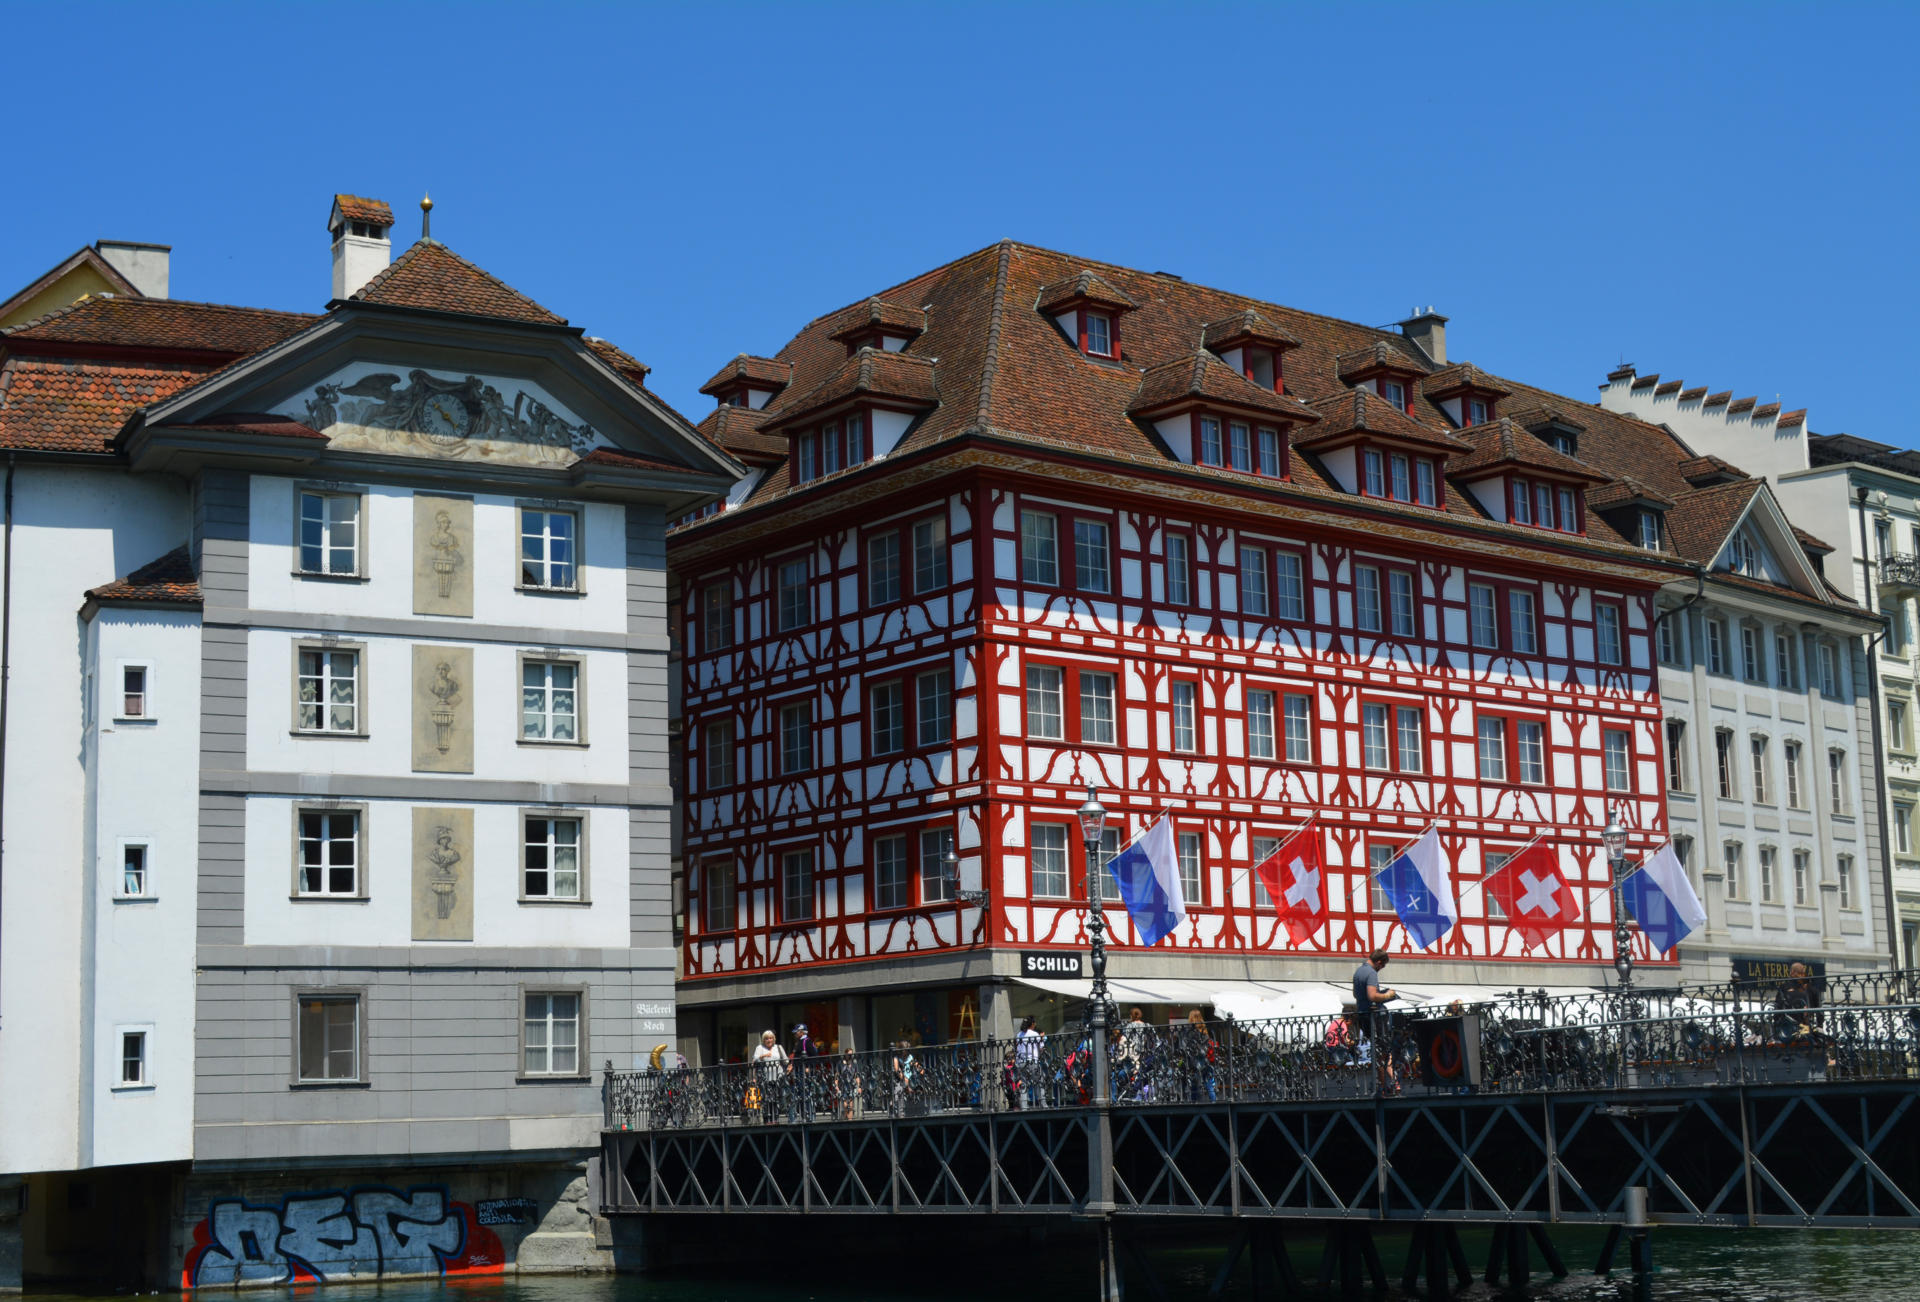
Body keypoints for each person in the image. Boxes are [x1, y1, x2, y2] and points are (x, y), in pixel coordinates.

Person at [1352, 950, 1399, 1092]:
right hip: (1374, 1017)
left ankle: (1383, 1085)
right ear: (1379, 962)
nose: (1381, 968)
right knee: (1385, 1050)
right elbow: (1372, 995)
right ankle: (1393, 1083)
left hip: (1363, 1015)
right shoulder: (1371, 973)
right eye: (1382, 966)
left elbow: (1355, 994)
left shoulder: (1358, 971)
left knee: (1377, 1051)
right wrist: (1387, 995)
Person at [749, 1029, 786, 1122]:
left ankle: (776, 1118)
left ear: (774, 1039)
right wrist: (763, 1056)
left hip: (778, 1077)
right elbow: (755, 1060)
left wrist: (786, 1066)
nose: (769, 1040)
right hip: (765, 1078)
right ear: (763, 1040)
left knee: (777, 1097)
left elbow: (786, 1060)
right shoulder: (759, 1048)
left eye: (771, 1038)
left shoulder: (778, 1047)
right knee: (767, 1099)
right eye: (766, 1039)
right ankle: (767, 1119)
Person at [1184, 1008, 1218, 1102]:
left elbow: (1185, 1047)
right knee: (1208, 1083)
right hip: (1204, 1059)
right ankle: (1213, 1101)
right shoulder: (1204, 1031)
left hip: (1193, 1061)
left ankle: (1194, 1102)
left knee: (1194, 1084)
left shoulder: (1188, 1032)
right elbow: (1208, 1045)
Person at [1016, 1015, 1044, 1107]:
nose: (1035, 1024)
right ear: (1032, 1024)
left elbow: (1018, 1049)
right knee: (1038, 1082)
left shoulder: (1019, 1034)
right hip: (1032, 1061)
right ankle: (1042, 1104)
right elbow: (1041, 1048)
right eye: (1034, 1023)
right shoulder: (1034, 1034)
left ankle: (1024, 1106)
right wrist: (1042, 1038)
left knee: (1024, 1084)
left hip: (1021, 1062)